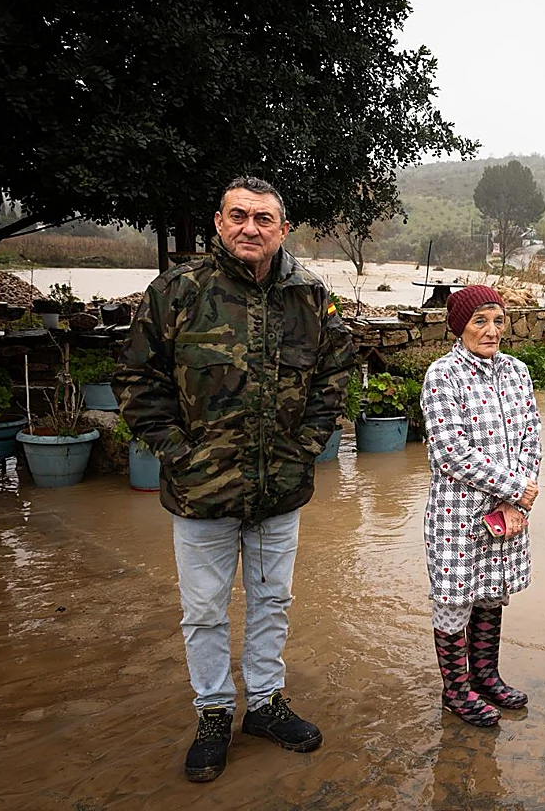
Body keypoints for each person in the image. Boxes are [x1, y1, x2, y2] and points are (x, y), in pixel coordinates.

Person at [115, 176, 355, 781]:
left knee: (273, 601)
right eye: (238, 216)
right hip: (202, 493)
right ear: (219, 222)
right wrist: (179, 453)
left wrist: (306, 446)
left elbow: (336, 371)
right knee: (204, 611)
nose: (251, 228)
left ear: (283, 228)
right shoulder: (178, 291)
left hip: (280, 488)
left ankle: (267, 704)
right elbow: (137, 383)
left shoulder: (310, 297)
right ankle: (215, 712)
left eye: (264, 219)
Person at [420, 285, 542, 727]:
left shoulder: (516, 372)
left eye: (498, 321)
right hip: (458, 515)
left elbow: (532, 434)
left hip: (508, 515)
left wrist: (519, 499)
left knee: (491, 595)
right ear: (459, 326)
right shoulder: (443, 375)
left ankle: (486, 677)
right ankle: (456, 691)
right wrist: (515, 487)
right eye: (480, 321)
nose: (492, 331)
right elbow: (450, 450)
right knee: (455, 600)